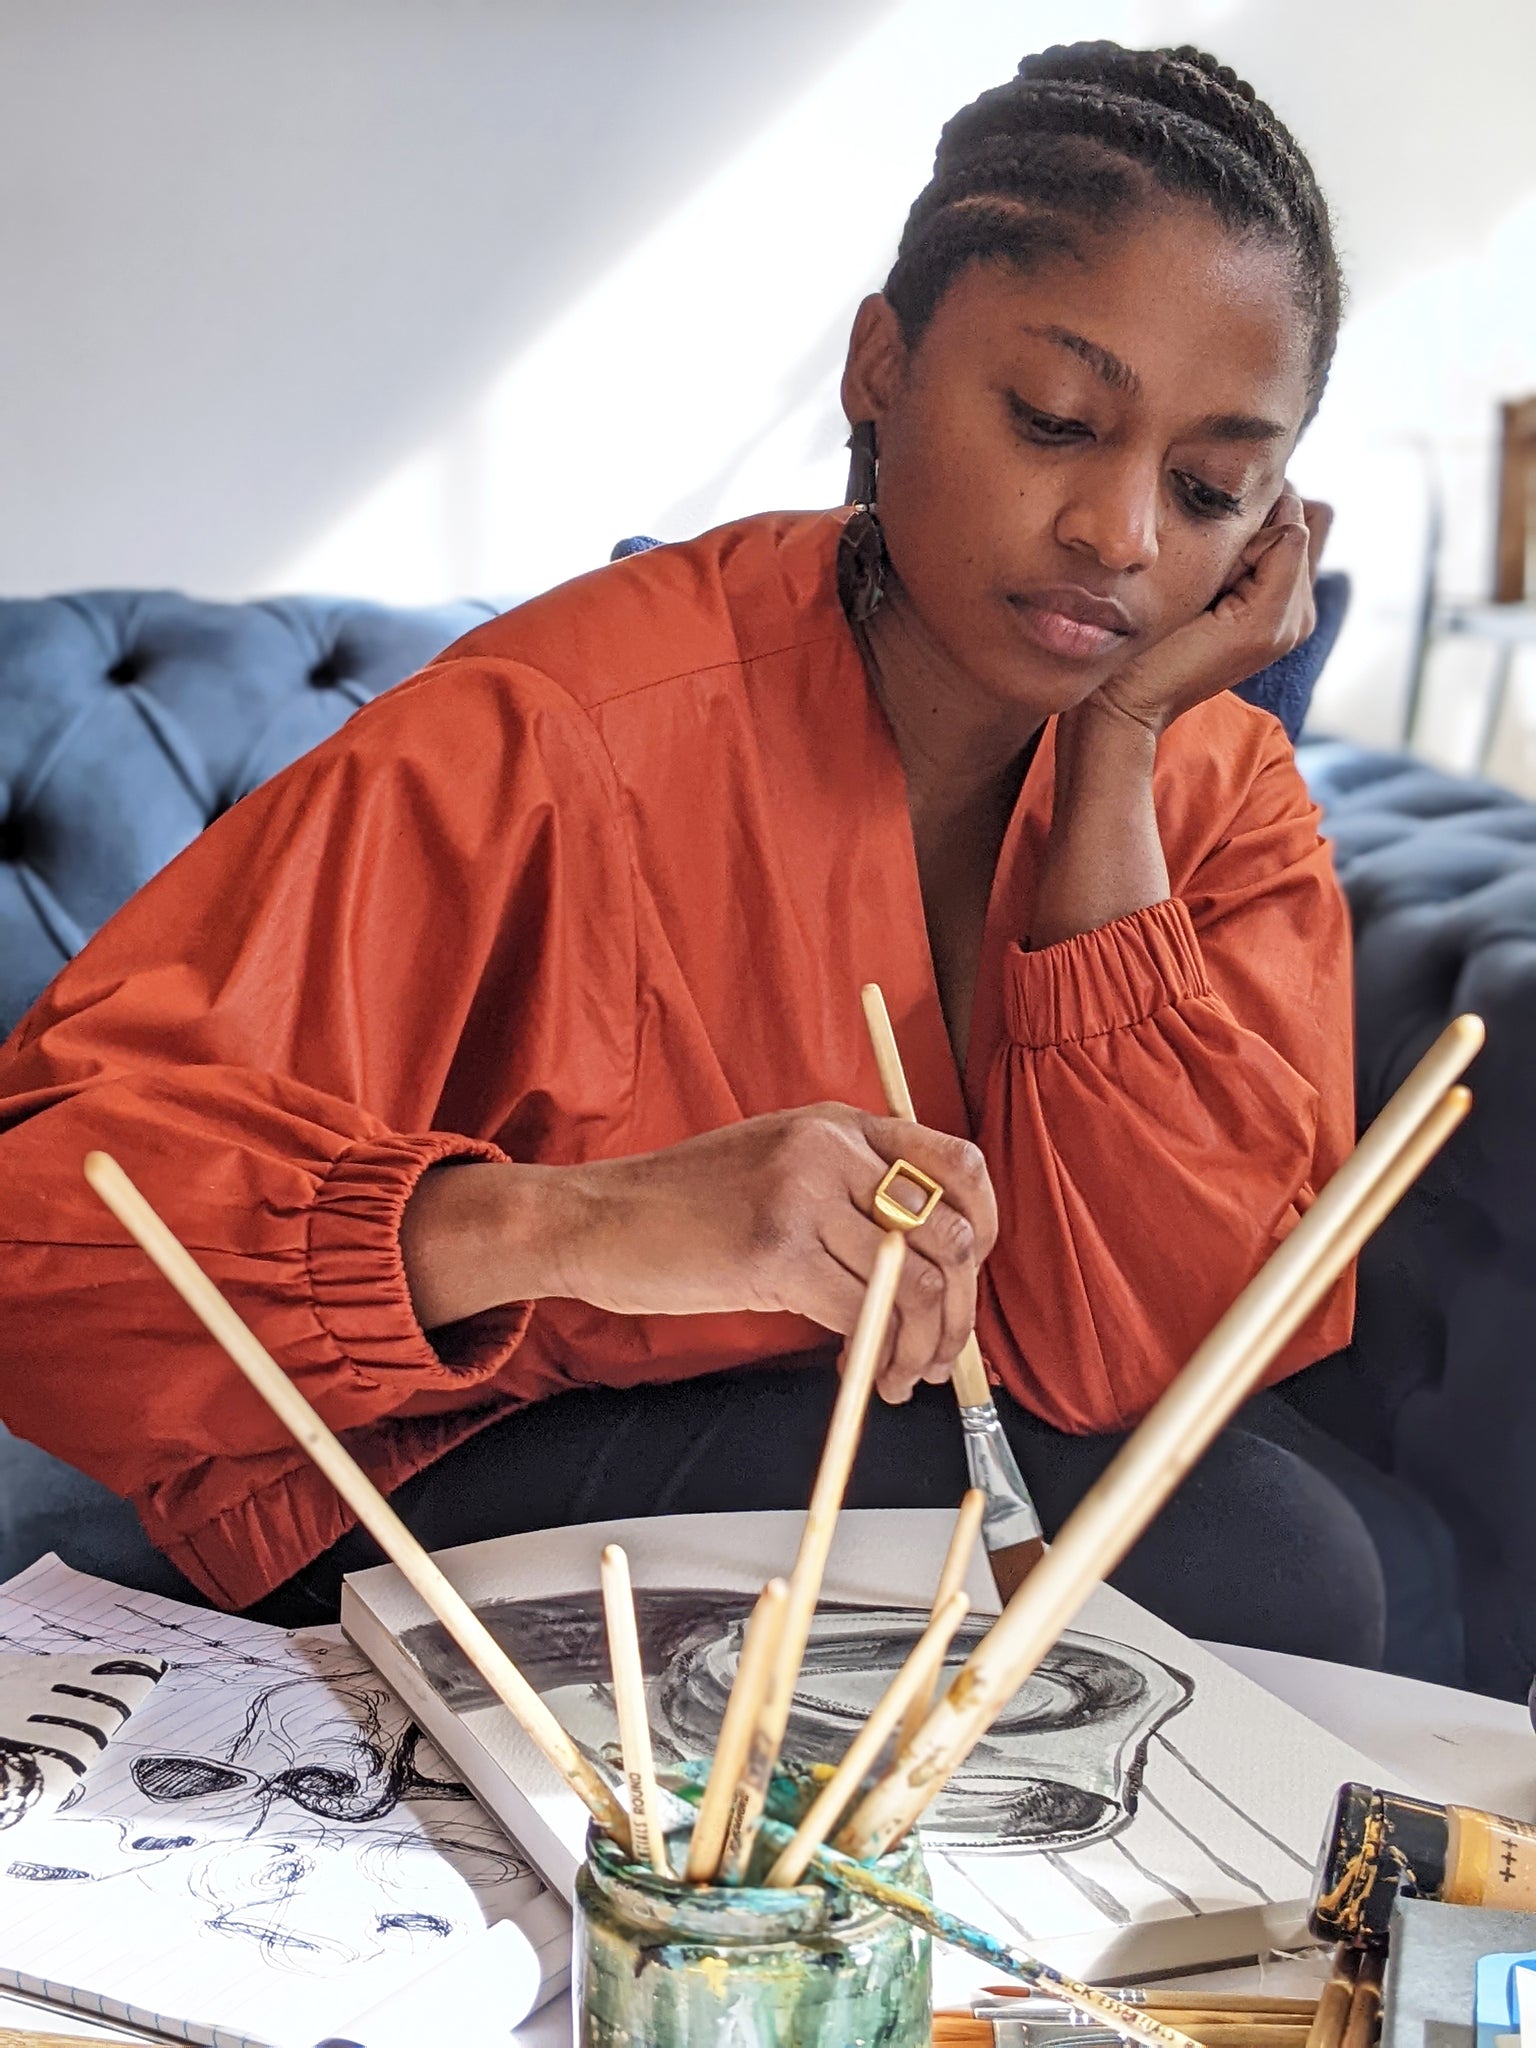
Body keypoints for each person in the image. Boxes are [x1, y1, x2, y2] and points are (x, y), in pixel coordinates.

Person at [0, 42, 1453, 1666]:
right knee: (1263, 1566)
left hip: (851, 1452)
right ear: (881, 367)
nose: (1119, 536)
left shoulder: (1217, 787)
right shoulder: (559, 725)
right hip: (426, 1469)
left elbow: (1131, 1369)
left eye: (1206, 487)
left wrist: (1116, 758)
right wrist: (576, 1223)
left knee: (1275, 1558)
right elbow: (43, 1244)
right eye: (1054, 419)